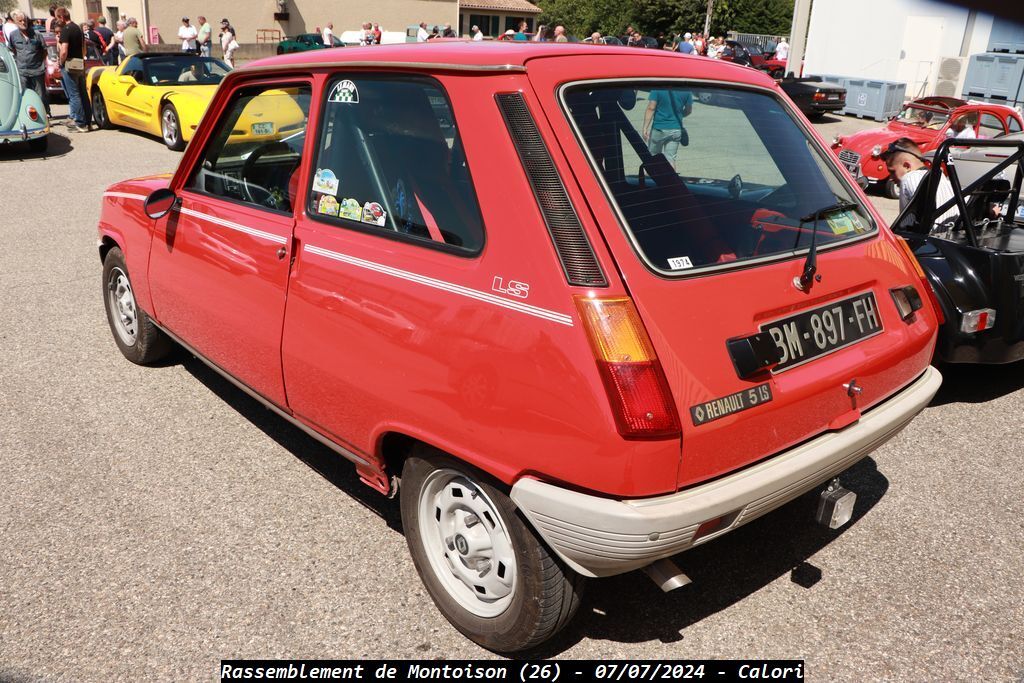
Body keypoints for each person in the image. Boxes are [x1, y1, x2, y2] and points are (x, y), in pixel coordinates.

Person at [882, 139, 959, 226]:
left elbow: (912, 226)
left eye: (892, 172)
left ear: (907, 166)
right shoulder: (941, 177)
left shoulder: (910, 178)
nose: (891, 178)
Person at [56, 7, 90, 132]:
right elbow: (84, 48)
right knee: (83, 93)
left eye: (57, 18)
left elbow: (64, 50)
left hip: (69, 65)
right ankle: (88, 121)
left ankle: (80, 123)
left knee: (74, 94)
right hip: (80, 64)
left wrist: (61, 62)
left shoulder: (66, 30)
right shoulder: (78, 28)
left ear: (61, 17)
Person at [8, 11, 49, 116]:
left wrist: (40, 63)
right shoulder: (13, 35)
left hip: (37, 71)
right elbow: (12, 50)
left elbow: (44, 51)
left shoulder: (37, 34)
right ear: (16, 22)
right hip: (22, 71)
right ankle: (28, 117)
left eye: (24, 20)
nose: (23, 23)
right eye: (20, 21)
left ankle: (45, 115)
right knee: (25, 95)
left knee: (41, 96)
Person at [643, 87, 694, 164]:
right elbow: (688, 110)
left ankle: (652, 175)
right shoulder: (686, 90)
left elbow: (651, 108)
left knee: (653, 159)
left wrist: (645, 128)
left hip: (659, 129)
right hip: (676, 130)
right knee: (670, 159)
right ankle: (671, 176)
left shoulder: (658, 88)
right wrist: (679, 115)